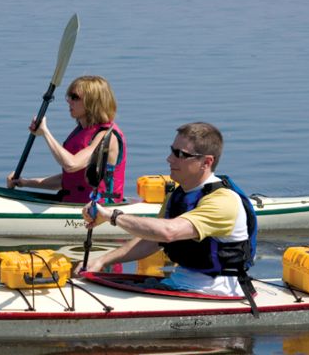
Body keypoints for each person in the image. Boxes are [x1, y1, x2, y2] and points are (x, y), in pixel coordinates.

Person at [81, 122, 256, 296]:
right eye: (172, 151)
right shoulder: (177, 196)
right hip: (181, 283)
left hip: (218, 291)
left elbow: (168, 232)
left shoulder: (223, 201)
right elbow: (153, 240)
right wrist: (101, 261)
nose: (170, 159)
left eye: (181, 154)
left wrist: (113, 216)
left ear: (206, 162)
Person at [6, 75, 126, 203]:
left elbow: (71, 165)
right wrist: (24, 182)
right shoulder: (81, 131)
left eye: (75, 97)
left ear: (92, 102)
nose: (69, 101)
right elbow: (67, 179)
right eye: (69, 96)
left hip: (100, 211)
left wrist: (45, 133)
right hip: (73, 202)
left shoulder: (107, 137)